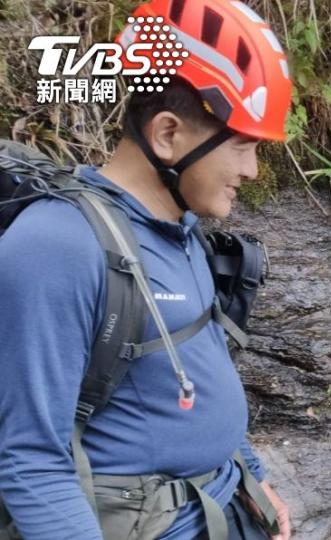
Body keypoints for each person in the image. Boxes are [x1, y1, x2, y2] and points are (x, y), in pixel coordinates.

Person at [0, 1, 293, 538]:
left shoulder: (180, 228)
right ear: (167, 134)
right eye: (244, 148)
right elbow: (30, 463)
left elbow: (202, 365)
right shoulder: (57, 247)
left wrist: (251, 475)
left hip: (224, 504)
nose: (252, 171)